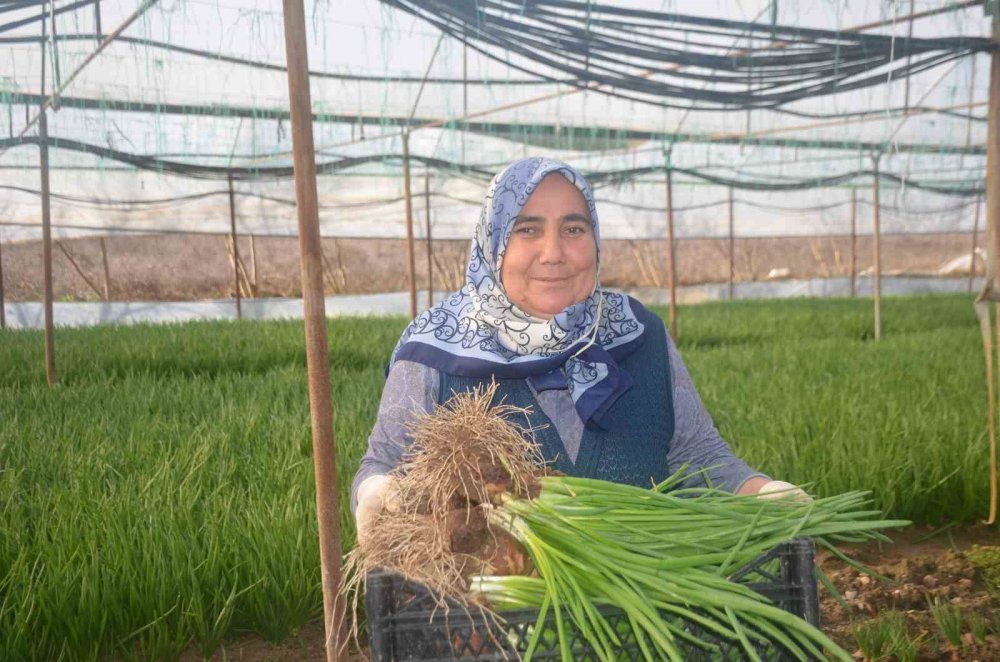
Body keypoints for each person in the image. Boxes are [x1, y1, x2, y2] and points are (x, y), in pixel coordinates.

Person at [351, 157, 806, 541]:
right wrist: (376, 491)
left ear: (594, 239)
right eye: (527, 230)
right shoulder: (434, 351)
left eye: (573, 228)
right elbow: (387, 465)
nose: (554, 253)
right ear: (493, 244)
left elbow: (698, 457)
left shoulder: (637, 333)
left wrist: (763, 491)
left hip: (651, 609)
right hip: (500, 629)